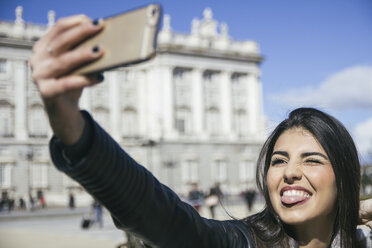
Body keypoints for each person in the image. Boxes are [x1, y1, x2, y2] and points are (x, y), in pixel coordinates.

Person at [30, 15, 372, 247]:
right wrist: (74, 131)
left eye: (310, 160)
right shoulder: (242, 241)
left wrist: (345, 214)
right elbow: (166, 220)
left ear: (343, 174)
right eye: (278, 161)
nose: (290, 173)